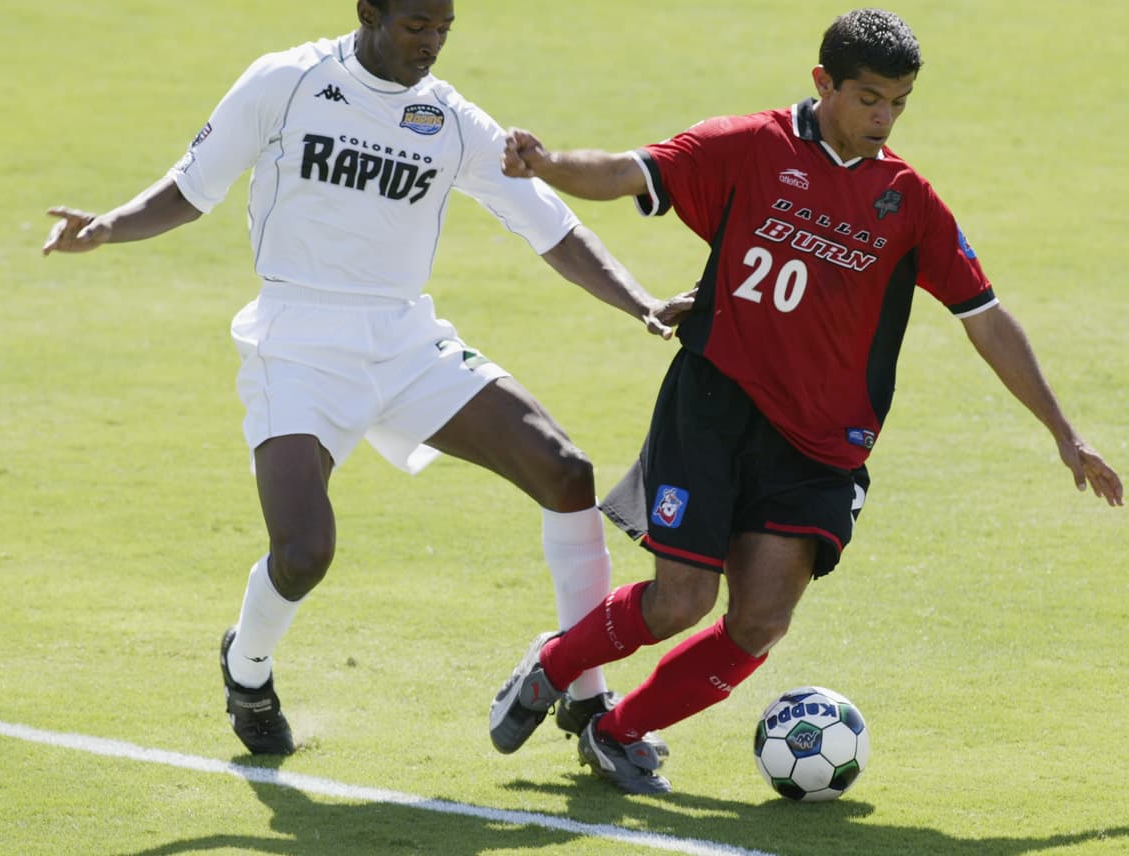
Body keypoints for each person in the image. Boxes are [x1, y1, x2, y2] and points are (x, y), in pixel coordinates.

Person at [488, 7, 1125, 794]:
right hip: (715, 404)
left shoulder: (907, 200)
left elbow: (985, 317)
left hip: (822, 443)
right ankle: (552, 667)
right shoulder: (748, 145)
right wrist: (546, 165)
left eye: (898, 102)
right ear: (823, 82)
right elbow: (628, 172)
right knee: (679, 601)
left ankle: (620, 732)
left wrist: (1064, 433)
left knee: (759, 621)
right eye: (867, 98)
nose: (883, 119)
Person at [41, 0, 693, 757]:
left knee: (565, 470)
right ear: (369, 12)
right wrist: (109, 227)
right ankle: (247, 669)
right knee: (304, 553)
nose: (432, 44)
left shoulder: (450, 119)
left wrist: (640, 302)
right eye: (417, 26)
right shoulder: (285, 81)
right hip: (298, 343)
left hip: (405, 340)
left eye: (444, 29)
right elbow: (192, 188)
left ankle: (585, 691)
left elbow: (551, 227)